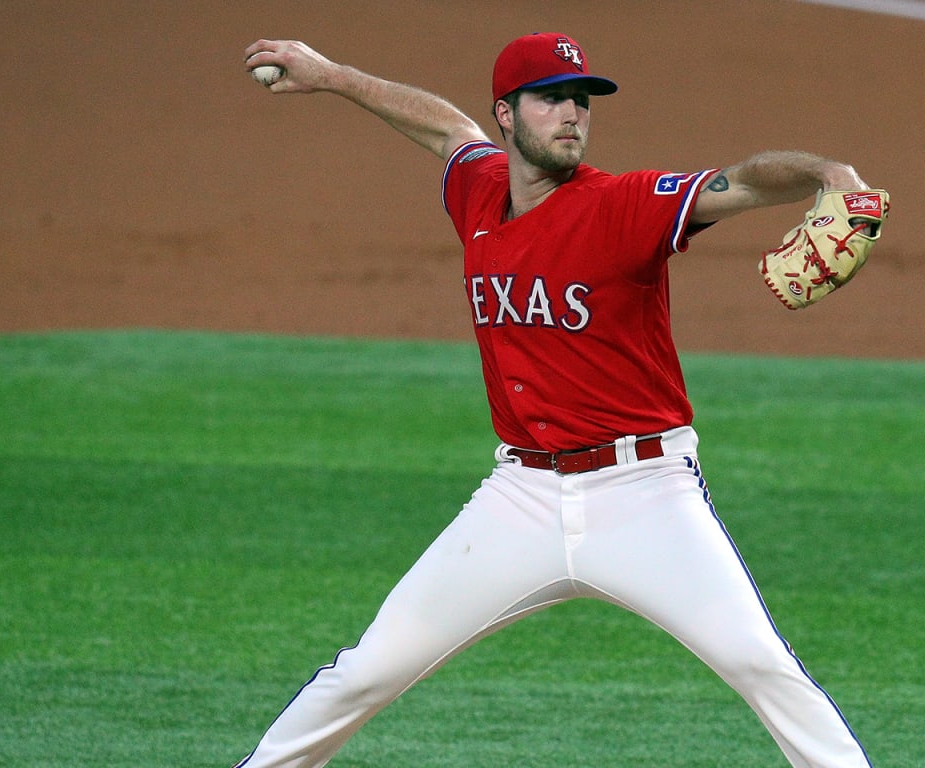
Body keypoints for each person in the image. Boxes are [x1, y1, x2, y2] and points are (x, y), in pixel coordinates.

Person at [234, 32, 878, 768]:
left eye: (581, 100)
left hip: (645, 493)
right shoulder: (479, 193)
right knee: (367, 671)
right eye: (551, 99)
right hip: (521, 497)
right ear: (506, 115)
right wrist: (331, 75)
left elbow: (743, 181)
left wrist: (829, 173)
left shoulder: (623, 205)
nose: (572, 113)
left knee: (765, 671)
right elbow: (445, 129)